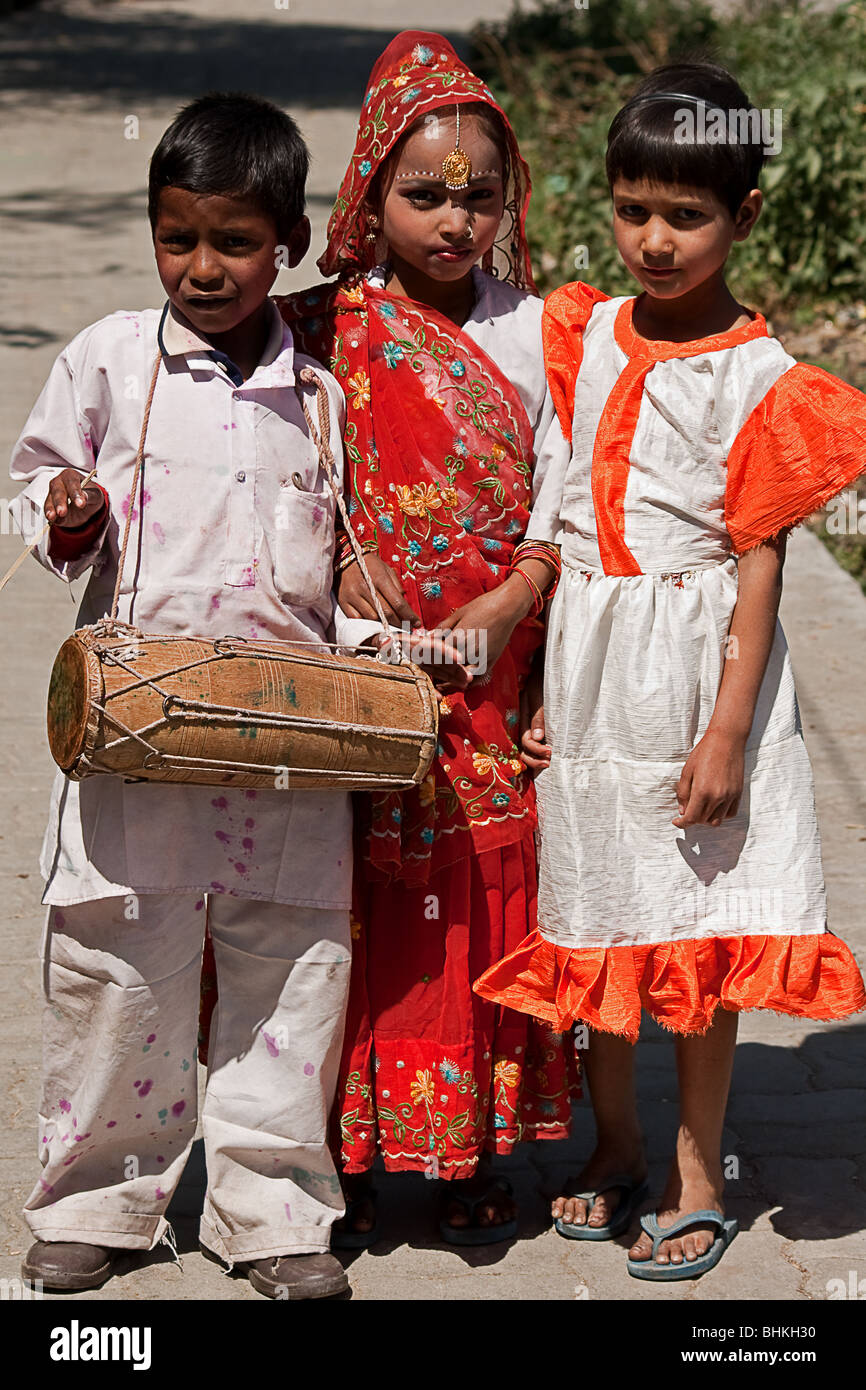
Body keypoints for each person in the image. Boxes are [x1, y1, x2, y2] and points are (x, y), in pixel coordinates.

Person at [474, 61, 866, 1279]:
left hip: (699, 678)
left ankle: (700, 1170)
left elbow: (758, 568)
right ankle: (614, 1146)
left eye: (684, 214)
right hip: (591, 671)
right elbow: (555, 513)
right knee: (599, 914)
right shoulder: (579, 329)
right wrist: (536, 688)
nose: (652, 238)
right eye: (632, 207)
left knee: (698, 928)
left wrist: (725, 732)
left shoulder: (758, 379)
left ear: (742, 217)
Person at [8, 91, 390, 1300]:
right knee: (117, 964)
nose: (203, 267)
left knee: (290, 972)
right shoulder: (110, 361)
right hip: (135, 741)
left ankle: (271, 1212)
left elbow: (345, 568)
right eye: (178, 237)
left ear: (286, 240)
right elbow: (34, 485)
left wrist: (386, 660)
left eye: (233, 242)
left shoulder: (317, 400)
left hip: (286, 746)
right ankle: (98, 1201)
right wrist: (63, 512)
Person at [275, 31, 581, 1245]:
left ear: (509, 201)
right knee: (353, 909)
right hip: (361, 673)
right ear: (367, 190)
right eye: (423, 193)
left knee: (475, 901)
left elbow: (561, 506)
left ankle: (468, 1153)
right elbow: (284, 471)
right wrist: (350, 565)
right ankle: (342, 1152)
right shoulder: (320, 332)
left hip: (495, 676)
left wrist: (510, 604)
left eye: (480, 195)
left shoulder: (540, 336)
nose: (454, 219)